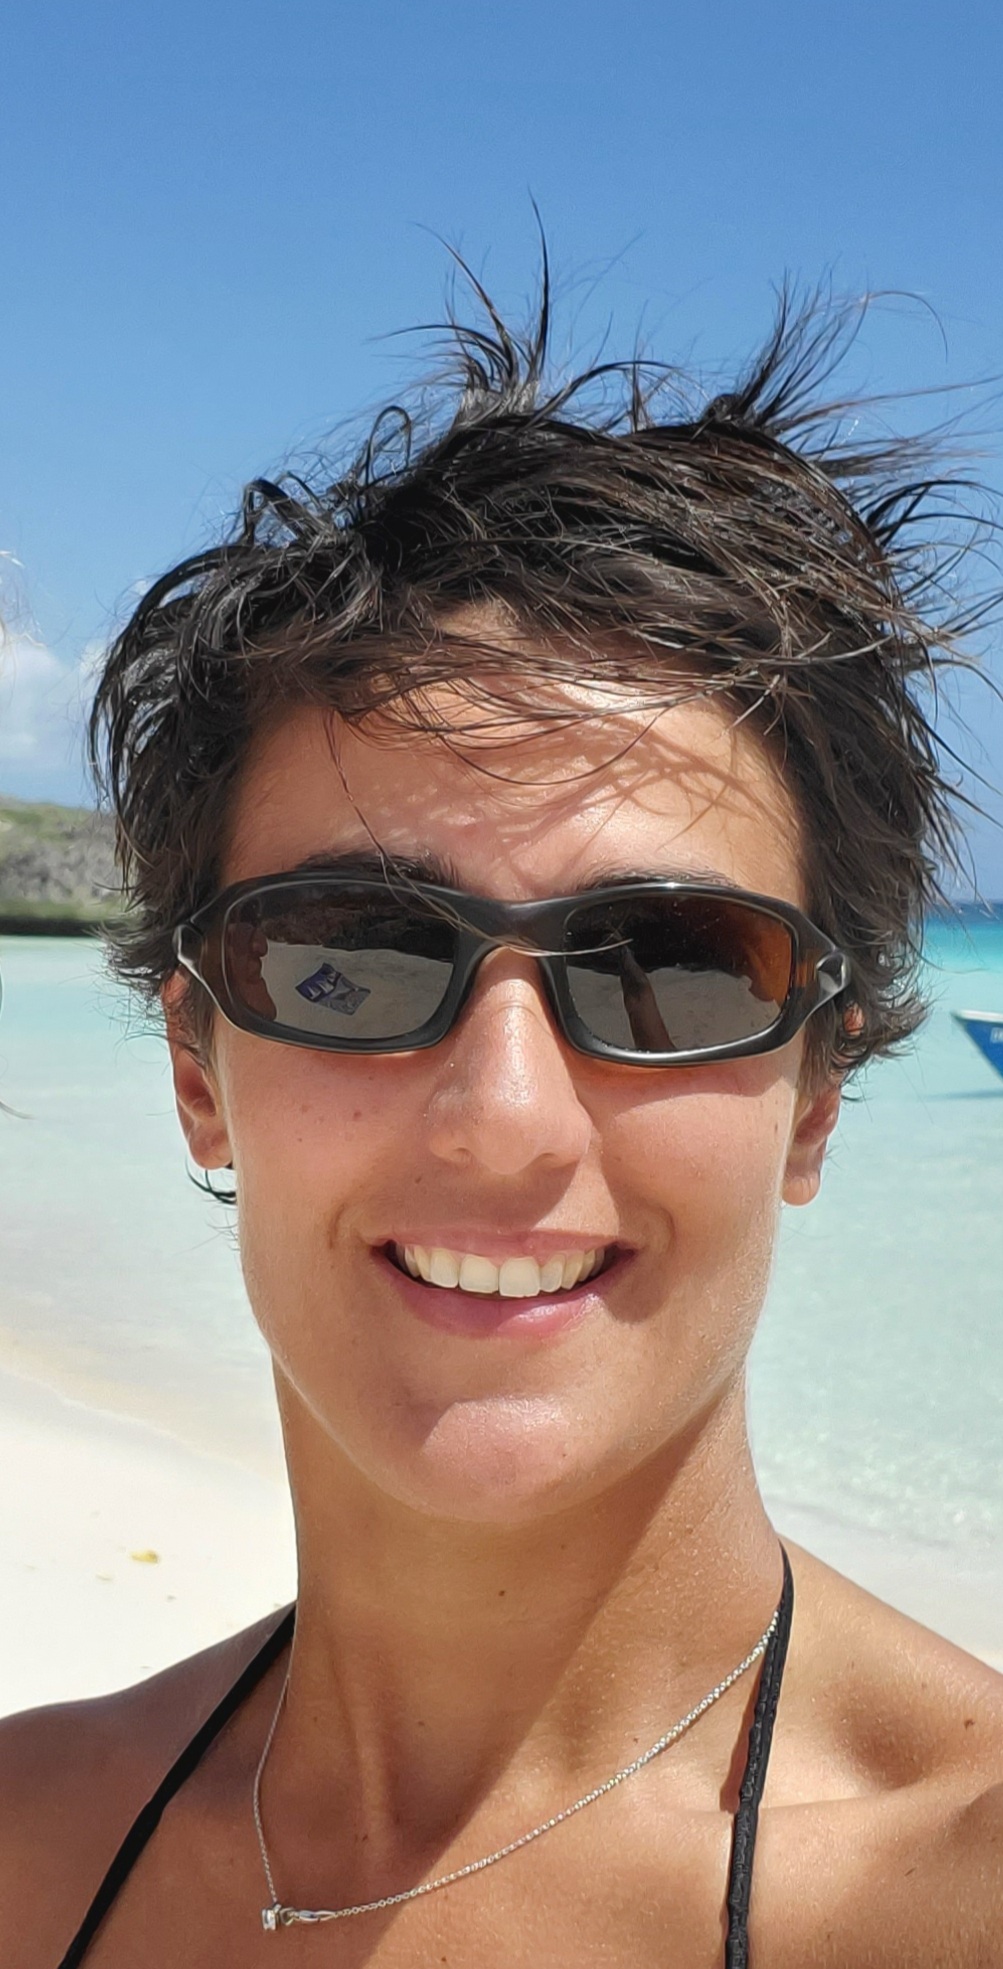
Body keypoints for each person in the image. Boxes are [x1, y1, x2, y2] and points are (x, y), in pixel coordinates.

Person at [2, 279, 1001, 1967]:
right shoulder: (31, 1851)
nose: (506, 1118)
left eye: (672, 964)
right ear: (197, 1069)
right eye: (356, 954)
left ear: (816, 1096)